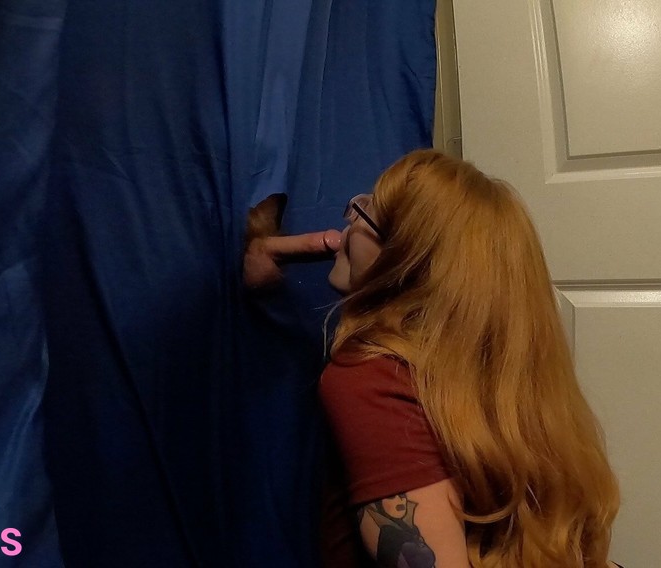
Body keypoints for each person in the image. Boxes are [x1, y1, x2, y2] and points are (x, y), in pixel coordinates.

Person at [244, 149, 620, 567]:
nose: (348, 221)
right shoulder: (499, 377)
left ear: (407, 262)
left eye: (367, 213)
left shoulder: (369, 379)